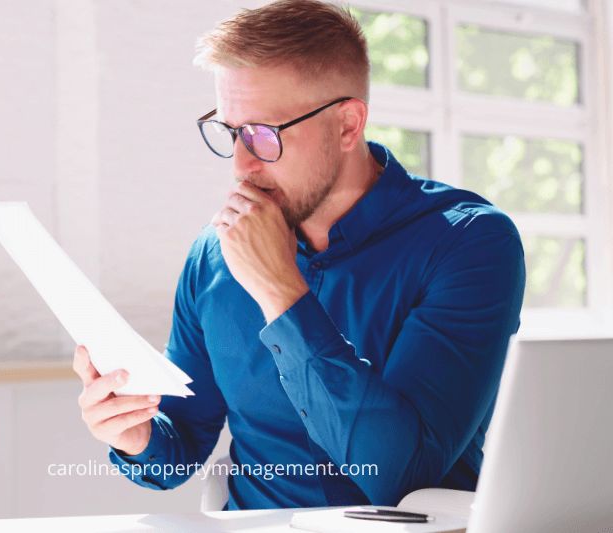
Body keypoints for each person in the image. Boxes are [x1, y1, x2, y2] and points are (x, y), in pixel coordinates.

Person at [72, 0, 526, 511]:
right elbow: (177, 448)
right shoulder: (213, 255)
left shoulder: (469, 243)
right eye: (231, 131)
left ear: (348, 125)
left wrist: (279, 292)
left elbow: (400, 476)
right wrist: (133, 434)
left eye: (265, 134)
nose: (241, 165)